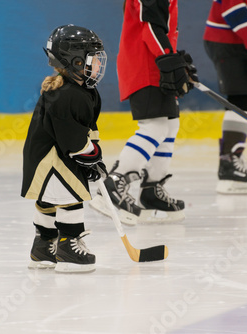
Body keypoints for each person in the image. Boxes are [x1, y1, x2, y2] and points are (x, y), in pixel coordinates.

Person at [90, 0, 196, 225]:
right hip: (145, 66)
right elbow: (149, 27)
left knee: (170, 125)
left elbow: (159, 26)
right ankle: (114, 184)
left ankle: (151, 188)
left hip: (156, 65)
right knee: (155, 127)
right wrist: (169, 58)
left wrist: (175, 59)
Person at [21, 24, 108, 273]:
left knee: (49, 200)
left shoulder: (84, 91)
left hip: (46, 157)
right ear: (77, 62)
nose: (99, 65)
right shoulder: (68, 95)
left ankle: (43, 246)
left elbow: (87, 128)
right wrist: (90, 155)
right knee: (70, 198)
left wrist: (94, 153)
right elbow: (73, 139)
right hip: (53, 159)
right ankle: (68, 245)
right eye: (93, 59)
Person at [203, 0, 247, 194]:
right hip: (227, 42)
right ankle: (229, 165)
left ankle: (231, 160)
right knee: (242, 99)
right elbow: (232, 7)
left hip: (234, 41)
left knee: (243, 99)